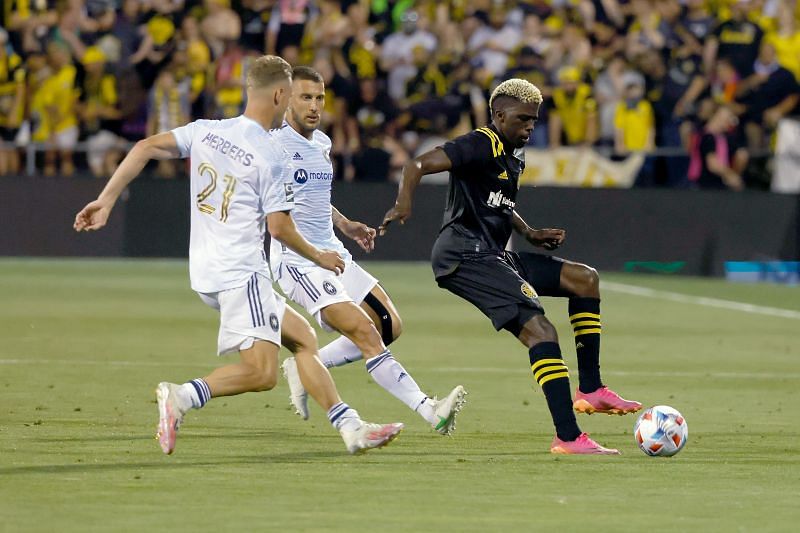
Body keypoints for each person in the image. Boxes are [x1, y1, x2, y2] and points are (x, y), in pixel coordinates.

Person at [73, 55, 403, 456]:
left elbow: (144, 147)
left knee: (302, 340)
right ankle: (182, 396)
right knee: (262, 374)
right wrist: (320, 256)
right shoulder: (271, 155)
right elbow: (280, 228)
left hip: (204, 272)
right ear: (281, 94)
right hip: (241, 274)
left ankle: (350, 427)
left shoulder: (208, 131)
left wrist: (105, 201)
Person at [380, 78, 642, 455]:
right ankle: (568, 437)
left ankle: (591, 390)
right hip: (464, 256)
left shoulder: (513, 152)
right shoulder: (482, 142)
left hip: (492, 253)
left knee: (584, 280)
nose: (530, 128)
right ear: (499, 115)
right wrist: (405, 203)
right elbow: (417, 163)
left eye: (534, 120)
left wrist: (529, 232)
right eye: (522, 120)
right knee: (541, 330)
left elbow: (498, 202)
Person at [273, 66, 466, 435]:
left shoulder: (322, 143)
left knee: (389, 324)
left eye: (319, 98)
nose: (314, 106)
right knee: (365, 332)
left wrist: (344, 225)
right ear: (285, 99)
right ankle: (430, 411)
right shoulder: (274, 147)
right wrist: (314, 256)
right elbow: (274, 214)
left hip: (331, 251)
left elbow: (313, 201)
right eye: (305, 97)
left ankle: (304, 365)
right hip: (297, 260)